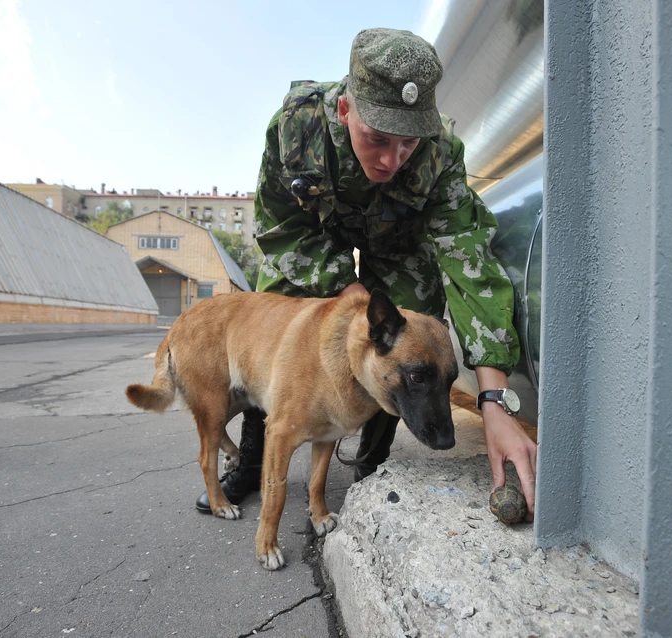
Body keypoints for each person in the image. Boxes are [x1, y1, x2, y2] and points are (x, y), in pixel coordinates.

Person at [195, 27, 537, 520]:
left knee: (404, 333)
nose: (392, 160)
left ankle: (371, 465)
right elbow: (278, 228)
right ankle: (253, 461)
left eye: (407, 144)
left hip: (397, 246)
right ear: (344, 111)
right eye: (377, 139)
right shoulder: (298, 127)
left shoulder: (439, 152)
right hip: (312, 242)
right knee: (271, 310)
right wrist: (348, 294)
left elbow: (470, 265)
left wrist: (495, 402)